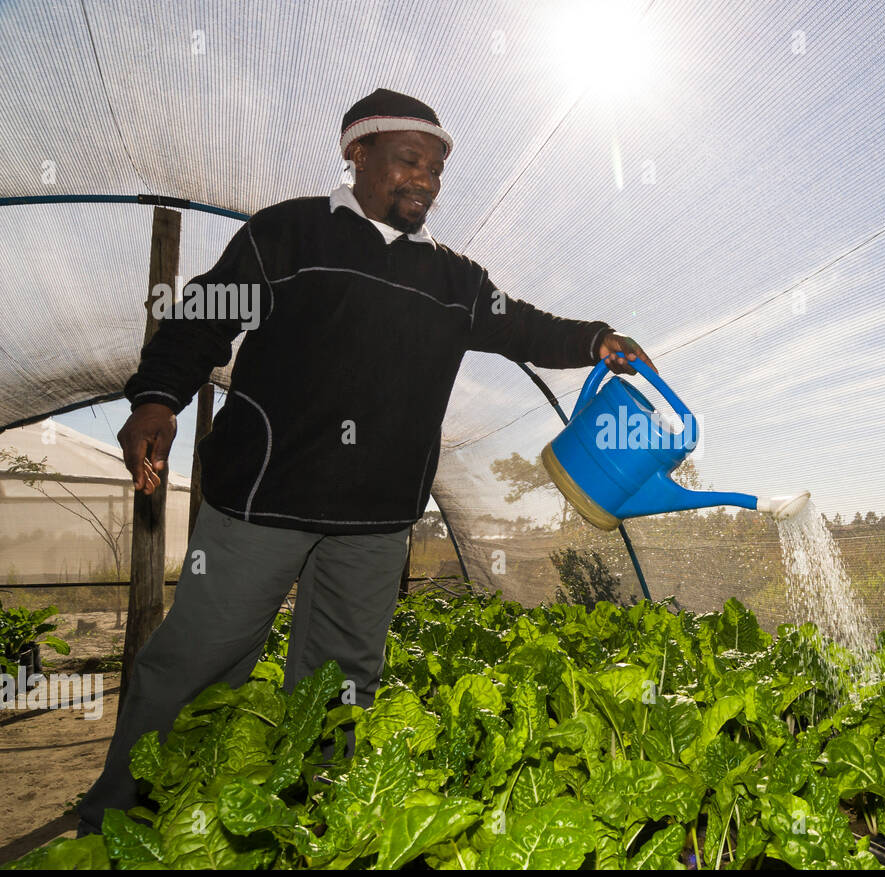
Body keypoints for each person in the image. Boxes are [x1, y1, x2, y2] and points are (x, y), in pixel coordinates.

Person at [76, 88, 656, 836]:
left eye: (438, 171)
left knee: (341, 683)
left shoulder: (454, 279)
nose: (427, 180)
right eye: (411, 160)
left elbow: (526, 327)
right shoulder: (290, 233)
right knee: (198, 661)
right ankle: (119, 822)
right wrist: (157, 399)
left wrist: (595, 340)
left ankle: (308, 825)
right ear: (358, 154)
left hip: (377, 519)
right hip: (263, 499)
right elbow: (204, 315)